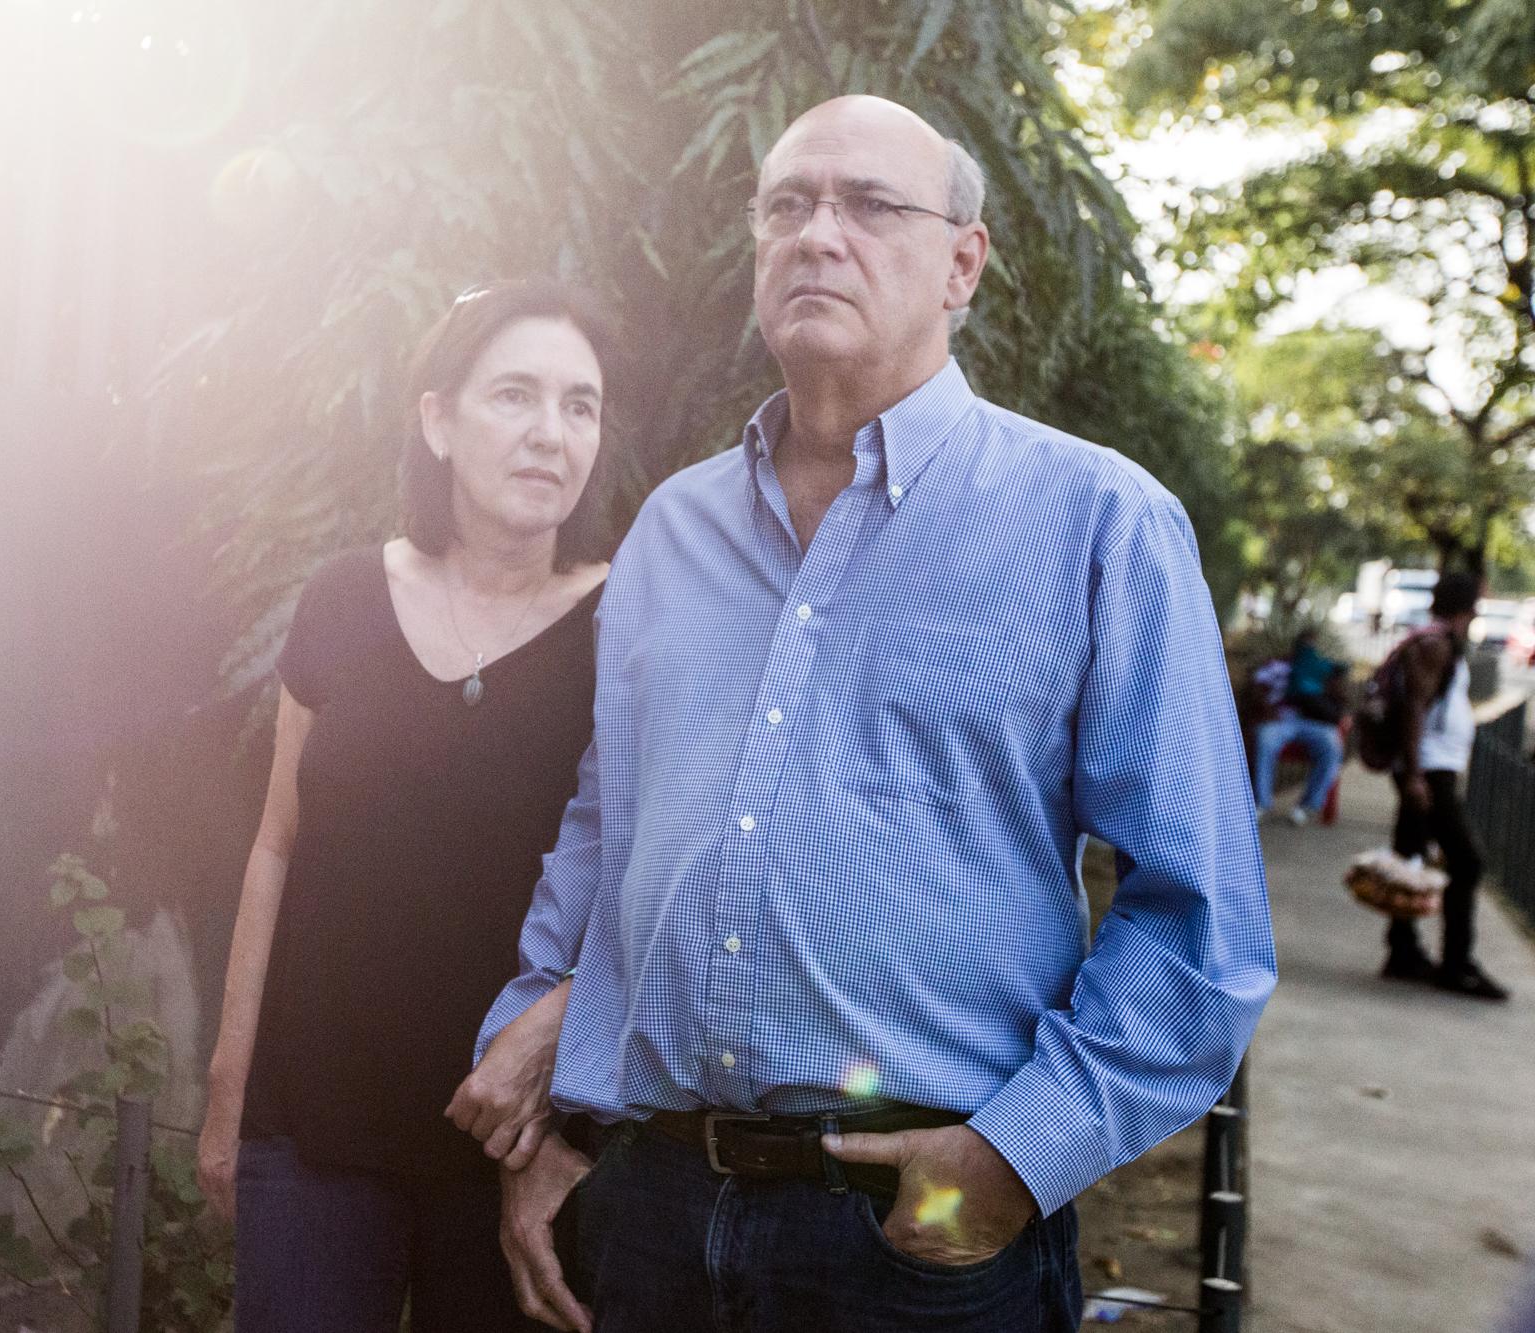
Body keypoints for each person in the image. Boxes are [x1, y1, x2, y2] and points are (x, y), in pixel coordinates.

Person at [457, 96, 1276, 1333]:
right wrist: (551, 1096)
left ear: (962, 261)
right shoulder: (671, 530)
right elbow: (608, 829)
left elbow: (1197, 919)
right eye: (785, 206)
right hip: (654, 1209)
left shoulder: (1098, 525)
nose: (815, 234)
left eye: (868, 205)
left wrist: (1010, 1165)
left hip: (921, 1232)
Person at [193, 279, 620, 1332]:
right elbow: (276, 846)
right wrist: (228, 1088)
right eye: (513, 395)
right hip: (311, 1130)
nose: (548, 434)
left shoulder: (630, 626)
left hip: (518, 1142)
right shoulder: (341, 598)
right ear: (437, 418)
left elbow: (656, 885)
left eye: (579, 405)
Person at [1379, 571, 1509, 1001]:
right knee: (1466, 862)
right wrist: (1415, 776)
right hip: (1429, 770)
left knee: (1411, 858)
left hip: (1431, 767)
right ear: (1467, 604)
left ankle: (1403, 951)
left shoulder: (1439, 642)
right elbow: (1415, 708)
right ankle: (1457, 964)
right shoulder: (1435, 644)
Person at [1248, 629, 1345, 824]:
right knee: (1265, 739)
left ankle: (1308, 805)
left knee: (1332, 746)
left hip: (1313, 724)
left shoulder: (1323, 668)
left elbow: (1340, 701)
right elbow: (1256, 690)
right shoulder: (1276, 665)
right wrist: (1268, 710)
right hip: (1280, 721)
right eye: (1305, 645)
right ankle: (1261, 802)